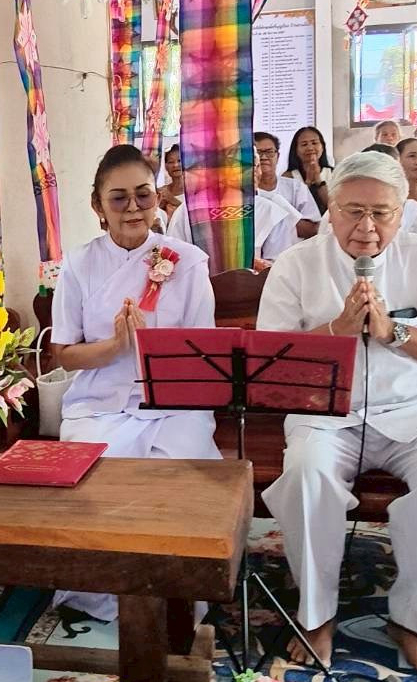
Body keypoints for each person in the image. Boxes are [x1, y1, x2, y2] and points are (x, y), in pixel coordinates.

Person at [257, 151, 417, 673]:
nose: (366, 227)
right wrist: (337, 330)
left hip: (415, 409)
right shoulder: (296, 265)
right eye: (353, 210)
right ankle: (316, 616)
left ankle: (411, 619)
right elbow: (271, 358)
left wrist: (394, 332)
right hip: (326, 412)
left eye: (381, 213)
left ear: (401, 214)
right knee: (307, 476)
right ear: (330, 211)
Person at [53, 144, 220, 460]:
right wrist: (117, 345)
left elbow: (205, 352)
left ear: (156, 198)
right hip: (98, 404)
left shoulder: (188, 262)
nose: (132, 207)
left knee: (177, 464)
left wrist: (153, 346)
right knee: (98, 469)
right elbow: (65, 355)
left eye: (143, 195)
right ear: (98, 206)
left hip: (176, 405)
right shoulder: (79, 263)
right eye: (118, 198)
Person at [164, 187, 300, 269]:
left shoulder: (270, 211)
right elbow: (172, 261)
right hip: (198, 297)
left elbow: (280, 267)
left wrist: (259, 266)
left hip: (255, 302)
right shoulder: (186, 211)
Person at [253, 133, 320, 238]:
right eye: (258, 153)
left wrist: (282, 210)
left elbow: (312, 230)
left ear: (278, 156)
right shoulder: (243, 193)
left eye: (269, 152)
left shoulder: (296, 188)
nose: (264, 157)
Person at [284, 126, 332, 214]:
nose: (310, 148)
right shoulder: (288, 177)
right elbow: (290, 211)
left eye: (314, 143)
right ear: (296, 150)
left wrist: (318, 180)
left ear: (322, 147)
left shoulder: (334, 173)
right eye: (304, 144)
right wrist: (308, 182)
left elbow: (335, 206)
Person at [158, 144, 184, 215]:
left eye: (179, 161)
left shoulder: (194, 192)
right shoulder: (162, 191)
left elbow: (195, 217)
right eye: (171, 162)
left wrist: (172, 200)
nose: (175, 165)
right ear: (166, 166)